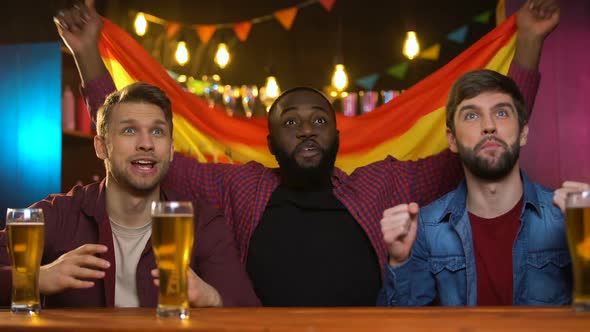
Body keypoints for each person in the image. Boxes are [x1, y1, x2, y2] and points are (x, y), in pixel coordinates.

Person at [54, 0, 559, 306]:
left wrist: (530, 44)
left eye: (320, 121)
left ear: (338, 136)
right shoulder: (240, 186)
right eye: (290, 124)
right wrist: (87, 56)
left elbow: (483, 146)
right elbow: (145, 149)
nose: (307, 131)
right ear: (271, 143)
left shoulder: (381, 184)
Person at [0, 82, 260, 308]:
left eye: (157, 131)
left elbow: (249, 311)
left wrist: (210, 297)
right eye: (129, 130)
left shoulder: (201, 223)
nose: (146, 143)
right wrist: (34, 278)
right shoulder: (60, 214)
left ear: (170, 150)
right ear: (101, 147)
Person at [378, 69, 575, 306]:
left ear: (523, 133)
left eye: (501, 113)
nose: (489, 126)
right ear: (452, 140)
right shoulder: (425, 229)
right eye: (471, 116)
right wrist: (400, 263)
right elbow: (404, 326)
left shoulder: (568, 217)